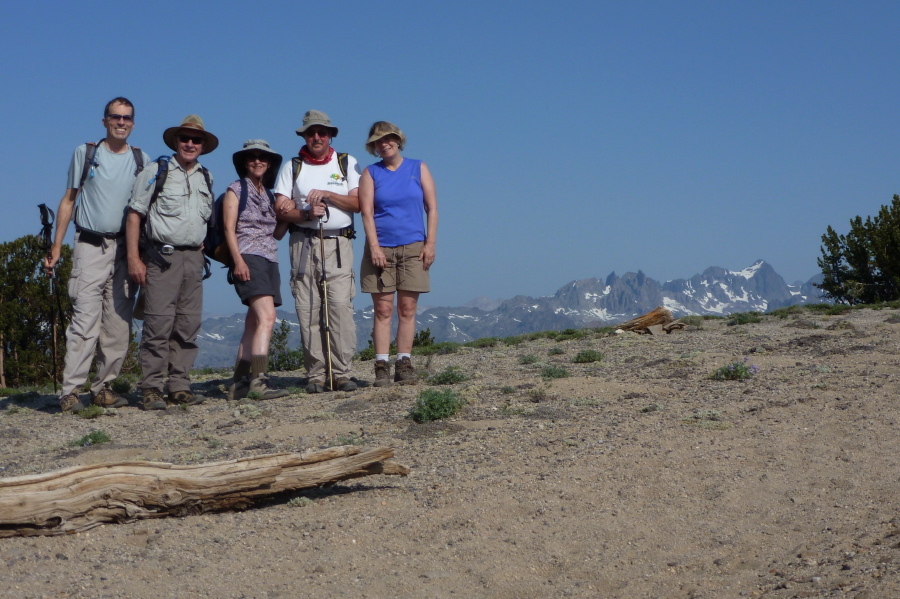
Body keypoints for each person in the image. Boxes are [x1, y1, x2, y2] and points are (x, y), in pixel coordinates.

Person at [45, 97, 151, 413]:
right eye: (115, 117)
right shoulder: (86, 153)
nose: (121, 122)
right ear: (104, 120)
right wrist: (56, 246)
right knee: (84, 321)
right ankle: (70, 393)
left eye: (127, 118)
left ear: (133, 122)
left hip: (125, 250)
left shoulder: (141, 159)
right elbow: (68, 200)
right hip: (89, 246)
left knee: (118, 325)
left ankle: (104, 388)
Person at [126, 115, 217, 410]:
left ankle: (179, 385)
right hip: (161, 258)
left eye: (196, 140)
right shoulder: (156, 171)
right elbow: (135, 214)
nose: (190, 144)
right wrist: (133, 258)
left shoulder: (206, 176)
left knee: (188, 324)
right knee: (158, 323)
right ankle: (151, 387)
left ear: (203, 145)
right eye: (185, 139)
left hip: (194, 258)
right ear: (176, 141)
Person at [273, 110, 361, 394]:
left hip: (337, 243)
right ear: (304, 136)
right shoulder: (293, 167)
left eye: (322, 132)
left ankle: (342, 372)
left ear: (330, 135)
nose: (317, 137)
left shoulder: (347, 163)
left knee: (339, 307)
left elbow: (358, 202)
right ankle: (316, 374)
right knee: (308, 308)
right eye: (311, 132)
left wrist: (326, 194)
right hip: (302, 243)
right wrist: (307, 212)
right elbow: (280, 207)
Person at [358, 121, 438, 386]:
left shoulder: (418, 167)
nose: (384, 144)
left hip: (414, 246)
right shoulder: (370, 173)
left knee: (407, 307)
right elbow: (367, 213)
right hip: (381, 248)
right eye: (379, 141)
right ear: (374, 146)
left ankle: (404, 363)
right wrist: (374, 247)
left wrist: (430, 244)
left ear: (398, 140)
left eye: (388, 138)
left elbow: (432, 208)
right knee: (382, 309)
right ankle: (381, 364)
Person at [222, 140, 290, 401]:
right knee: (268, 318)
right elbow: (230, 228)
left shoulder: (270, 194)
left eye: (263, 157)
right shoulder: (236, 189)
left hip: (270, 258)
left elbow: (277, 233)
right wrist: (238, 261)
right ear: (244, 162)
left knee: (253, 321)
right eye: (252, 157)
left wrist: (288, 214)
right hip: (249, 256)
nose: (258, 161)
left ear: (269, 163)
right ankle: (258, 382)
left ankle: (239, 383)